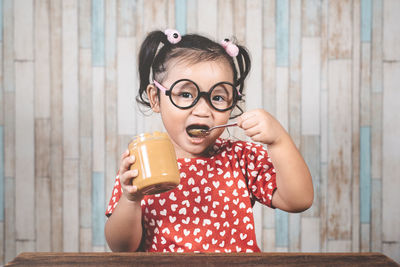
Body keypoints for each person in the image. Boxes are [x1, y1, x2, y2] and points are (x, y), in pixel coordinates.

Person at [104, 29, 313, 253]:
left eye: (217, 97)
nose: (203, 111)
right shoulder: (142, 161)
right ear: (156, 98)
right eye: (185, 94)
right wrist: (131, 199)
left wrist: (279, 141)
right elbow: (122, 248)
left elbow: (298, 200)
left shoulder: (240, 158)